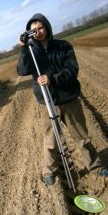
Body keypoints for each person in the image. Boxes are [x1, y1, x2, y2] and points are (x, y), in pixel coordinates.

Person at [17, 13, 108, 186]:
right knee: (50, 140)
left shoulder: (63, 46)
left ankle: (95, 167)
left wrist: (52, 79)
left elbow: (72, 70)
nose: (38, 32)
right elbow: (22, 71)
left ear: (48, 27)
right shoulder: (30, 51)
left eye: (41, 27)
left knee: (81, 136)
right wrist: (23, 48)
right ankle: (49, 171)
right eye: (33, 29)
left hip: (69, 98)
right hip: (47, 102)